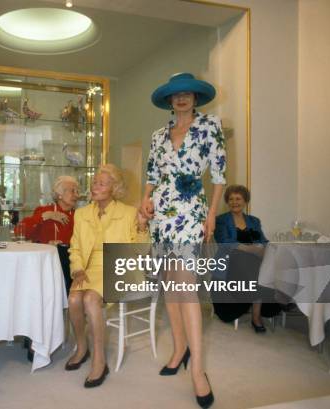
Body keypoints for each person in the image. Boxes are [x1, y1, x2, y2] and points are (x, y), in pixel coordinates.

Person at [140, 73, 226, 408]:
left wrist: (212, 214)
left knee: (186, 284)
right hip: (161, 213)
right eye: (175, 94)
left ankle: (199, 371)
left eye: (186, 93)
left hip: (192, 211)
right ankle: (179, 349)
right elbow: (151, 174)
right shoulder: (158, 134)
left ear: (195, 97)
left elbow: (218, 175)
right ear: (169, 100)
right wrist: (144, 201)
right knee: (170, 284)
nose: (181, 98)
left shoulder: (211, 126)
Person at [66, 164, 148, 388]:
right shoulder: (81, 214)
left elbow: (141, 252)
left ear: (115, 188)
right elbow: (75, 248)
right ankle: (82, 347)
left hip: (119, 266)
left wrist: (141, 228)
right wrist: (77, 269)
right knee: (73, 299)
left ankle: (99, 361)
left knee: (91, 298)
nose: (95, 186)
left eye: (102, 183)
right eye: (94, 182)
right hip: (89, 268)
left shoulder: (129, 212)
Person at [213, 185, 280, 332]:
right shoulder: (221, 220)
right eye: (230, 199)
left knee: (268, 262)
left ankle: (256, 314)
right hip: (229, 265)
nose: (234, 202)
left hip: (251, 264)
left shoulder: (254, 221)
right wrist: (252, 250)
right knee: (247, 260)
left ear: (245, 201)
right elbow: (224, 242)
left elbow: (263, 241)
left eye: (238, 199)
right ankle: (256, 315)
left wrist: (265, 250)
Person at [17, 175, 80, 291]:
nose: (77, 195)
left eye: (77, 191)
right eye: (72, 191)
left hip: (69, 264)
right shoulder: (44, 211)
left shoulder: (79, 215)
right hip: (45, 263)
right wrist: (46, 216)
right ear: (59, 194)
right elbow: (21, 232)